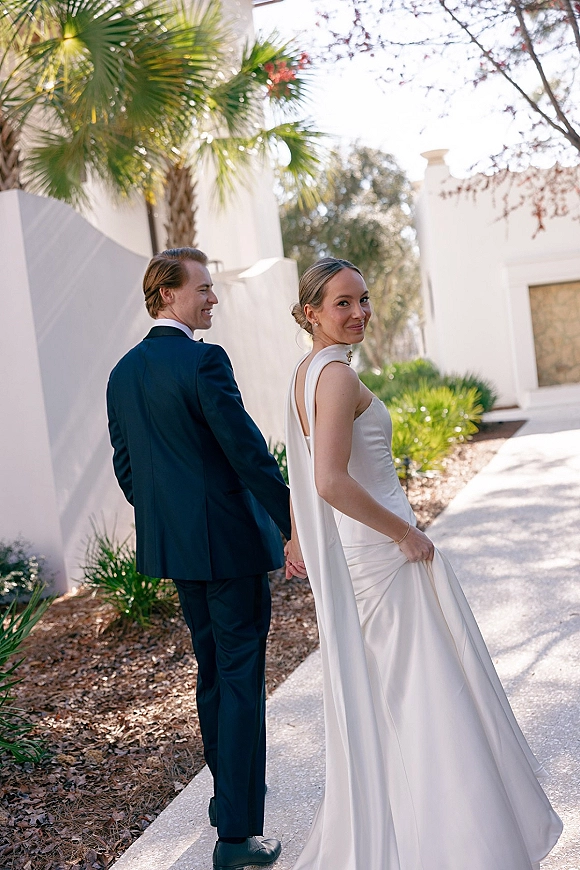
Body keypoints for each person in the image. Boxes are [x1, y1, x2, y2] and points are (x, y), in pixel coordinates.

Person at [283, 257, 562, 870]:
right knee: (426, 700)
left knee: (401, 700)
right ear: (311, 313)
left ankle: (416, 833)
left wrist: (298, 535)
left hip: (366, 556)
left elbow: (302, 466)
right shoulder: (333, 377)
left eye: (363, 300)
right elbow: (327, 479)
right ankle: (457, 846)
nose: (359, 313)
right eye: (342, 304)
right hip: (383, 556)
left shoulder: (307, 371)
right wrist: (406, 534)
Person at [107, 247, 295, 870]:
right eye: (203, 289)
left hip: (179, 552)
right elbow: (247, 453)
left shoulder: (123, 372)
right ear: (167, 296)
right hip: (233, 549)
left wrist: (173, 524)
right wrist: (297, 521)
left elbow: (128, 469)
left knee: (214, 674)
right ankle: (238, 836)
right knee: (239, 681)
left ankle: (226, 811)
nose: (213, 297)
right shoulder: (204, 361)